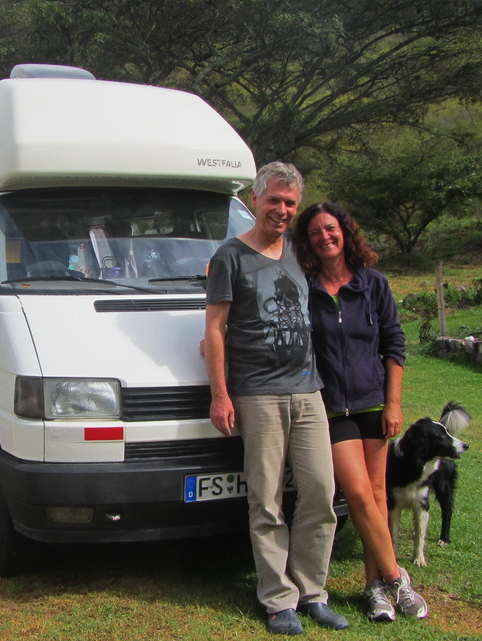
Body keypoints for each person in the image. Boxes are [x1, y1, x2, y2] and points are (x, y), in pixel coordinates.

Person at [204, 162, 347, 635]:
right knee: (265, 500)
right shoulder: (230, 256)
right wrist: (220, 394)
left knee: (320, 493)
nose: (282, 210)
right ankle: (278, 600)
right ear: (256, 198)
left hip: (308, 391)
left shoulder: (298, 253)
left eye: (290, 203)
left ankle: (312, 592)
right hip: (258, 394)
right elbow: (215, 329)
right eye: (274, 201)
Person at [292, 202, 428, 621]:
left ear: (345, 232)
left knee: (377, 495)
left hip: (373, 403)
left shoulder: (372, 283)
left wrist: (395, 403)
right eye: (315, 233)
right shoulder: (305, 286)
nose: (324, 237)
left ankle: (374, 590)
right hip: (331, 407)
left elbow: (394, 346)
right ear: (308, 242)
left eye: (330, 229)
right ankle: (396, 578)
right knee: (356, 494)